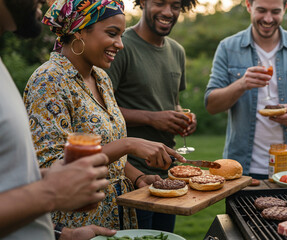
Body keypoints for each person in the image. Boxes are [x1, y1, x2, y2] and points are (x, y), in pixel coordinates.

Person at [23, 0, 186, 231]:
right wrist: (128, 144)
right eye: (112, 34)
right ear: (79, 30)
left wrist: (138, 178)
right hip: (76, 224)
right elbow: (52, 168)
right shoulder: (49, 81)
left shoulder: (100, 77)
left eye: (121, 35)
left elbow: (108, 150)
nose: (120, 44)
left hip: (117, 214)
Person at [0, 0, 117, 239]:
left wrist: (62, 234)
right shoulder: (47, 78)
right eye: (113, 33)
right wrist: (51, 191)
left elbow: (13, 178)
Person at [204, 0, 287, 180]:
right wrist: (242, 84)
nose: (268, 19)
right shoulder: (228, 47)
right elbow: (211, 105)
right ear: (248, 6)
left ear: (285, 8)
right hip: (241, 170)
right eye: (261, 10)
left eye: (275, 11)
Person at [104, 0, 197, 232]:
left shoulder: (177, 50)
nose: (168, 12)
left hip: (167, 173)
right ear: (143, 2)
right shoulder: (118, 45)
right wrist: (151, 118)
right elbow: (100, 110)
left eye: (175, 5)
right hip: (130, 174)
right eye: (160, 3)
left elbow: (171, 101)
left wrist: (181, 117)